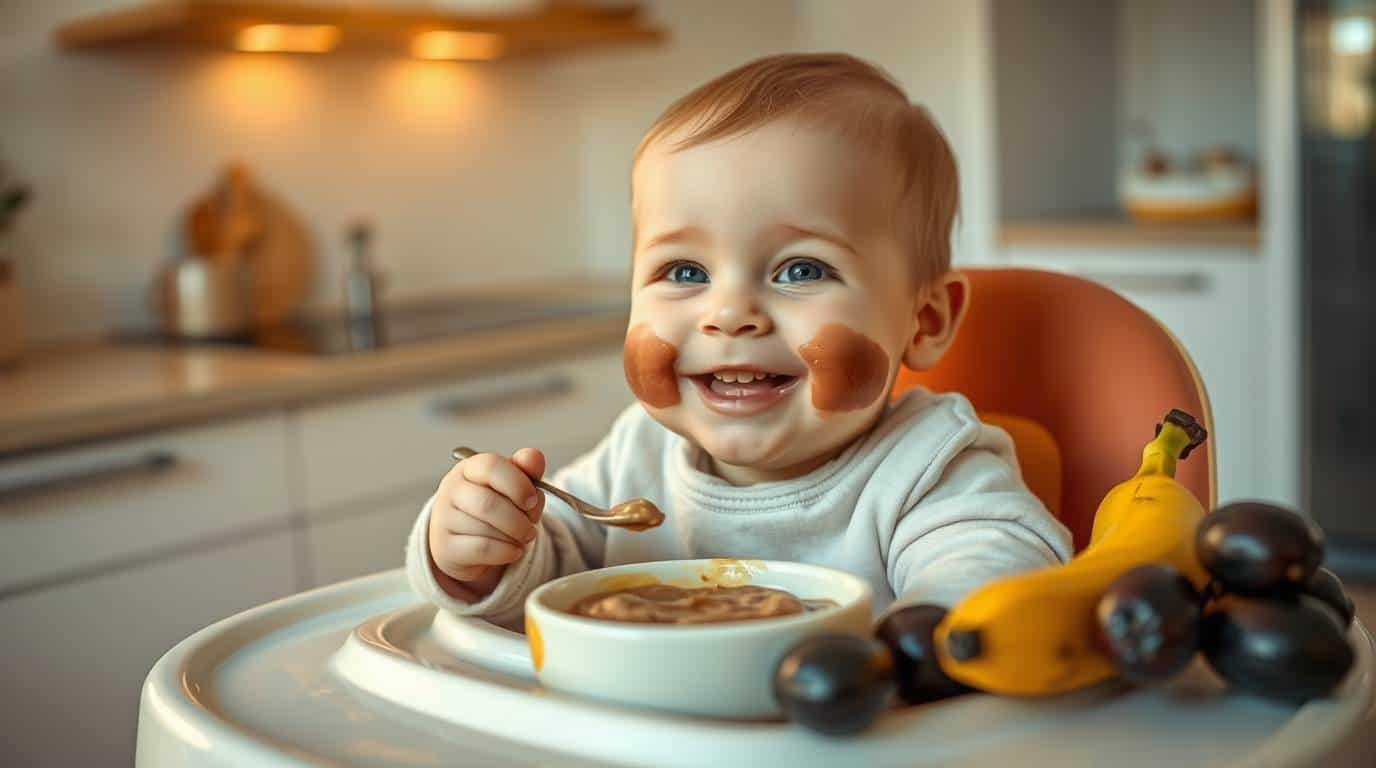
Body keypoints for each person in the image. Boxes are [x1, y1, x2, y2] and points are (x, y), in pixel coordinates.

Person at [406, 53, 1072, 629]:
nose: (728, 314)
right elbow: (550, 574)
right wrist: (481, 550)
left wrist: (921, 635)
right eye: (685, 271)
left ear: (923, 321)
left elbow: (994, 568)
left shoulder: (927, 467)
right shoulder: (638, 457)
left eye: (801, 270)